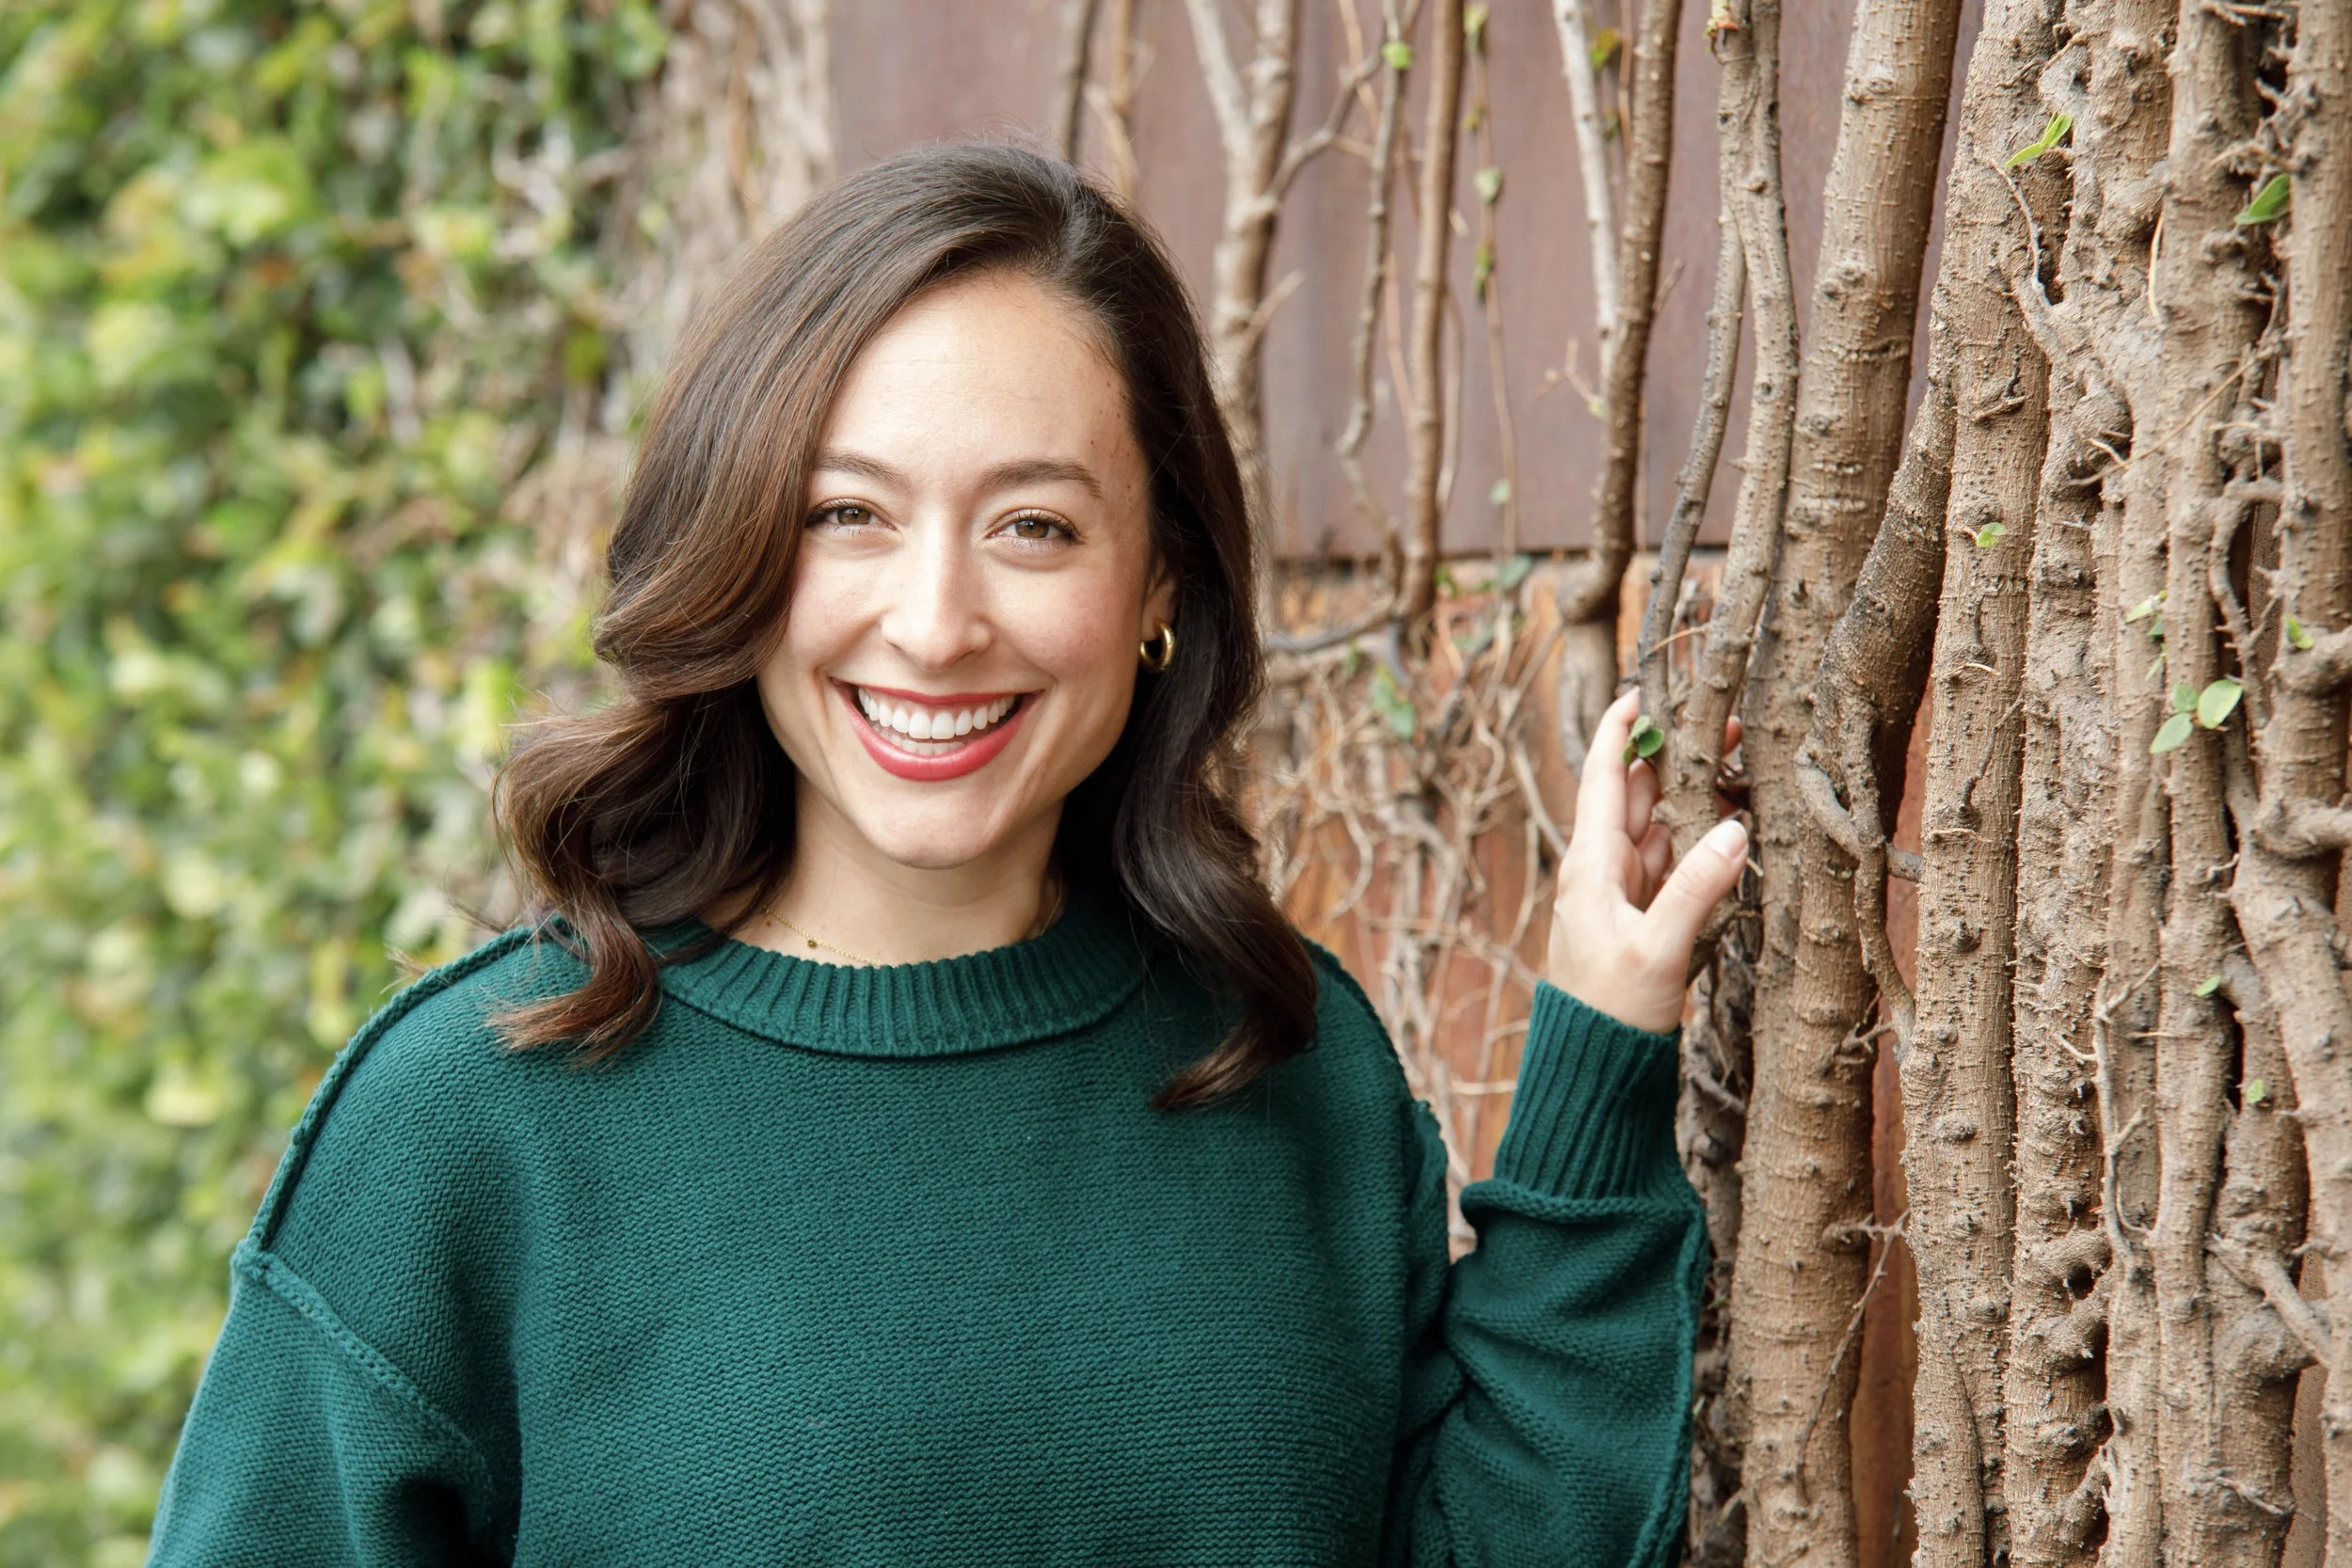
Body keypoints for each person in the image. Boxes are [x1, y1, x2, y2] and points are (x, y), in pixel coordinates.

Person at [145, 142, 1748, 1567]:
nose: (934, 622)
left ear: (1159, 587)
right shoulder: (465, 1123)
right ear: (740, 551)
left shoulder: (1285, 1065)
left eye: (1033, 525)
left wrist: (1599, 1064)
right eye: (849, 514)